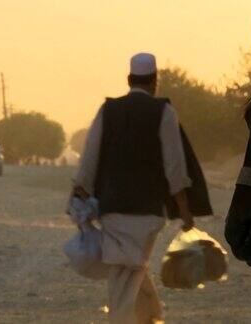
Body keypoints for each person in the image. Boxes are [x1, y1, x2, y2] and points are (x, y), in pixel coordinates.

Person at [73, 53, 196, 324]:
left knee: (127, 268)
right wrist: (185, 210)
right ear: (155, 81)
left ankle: (148, 315)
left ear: (129, 80)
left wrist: (80, 195)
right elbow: (174, 166)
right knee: (129, 268)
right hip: (148, 211)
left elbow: (89, 157)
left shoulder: (108, 110)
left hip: (112, 209)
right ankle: (140, 317)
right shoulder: (164, 111)